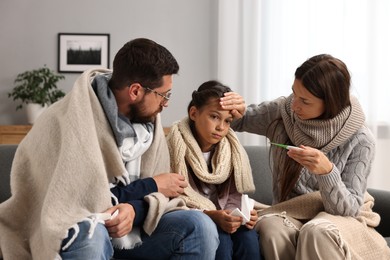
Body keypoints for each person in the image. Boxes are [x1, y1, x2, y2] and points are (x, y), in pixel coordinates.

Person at [0, 38, 219, 260]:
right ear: (135, 91)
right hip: (84, 230)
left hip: (135, 233)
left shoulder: (150, 126)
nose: (166, 104)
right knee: (90, 236)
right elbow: (74, 205)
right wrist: (151, 185)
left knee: (199, 225)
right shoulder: (64, 121)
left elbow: (162, 198)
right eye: (164, 95)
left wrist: (135, 210)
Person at [220, 54, 390, 259]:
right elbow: (239, 120)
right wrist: (232, 102)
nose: (294, 105)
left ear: (330, 103)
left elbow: (348, 210)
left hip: (339, 215)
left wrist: (327, 172)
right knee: (270, 229)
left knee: (316, 231)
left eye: (305, 101)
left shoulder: (361, 139)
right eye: (294, 94)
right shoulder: (282, 112)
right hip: (289, 211)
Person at [166, 80, 262, 260]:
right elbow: (170, 201)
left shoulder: (230, 151)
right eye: (214, 117)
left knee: (248, 236)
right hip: (195, 218)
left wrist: (242, 214)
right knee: (222, 240)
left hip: (223, 216)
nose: (221, 127)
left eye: (227, 121)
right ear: (194, 113)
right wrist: (210, 215)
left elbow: (234, 194)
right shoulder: (172, 147)